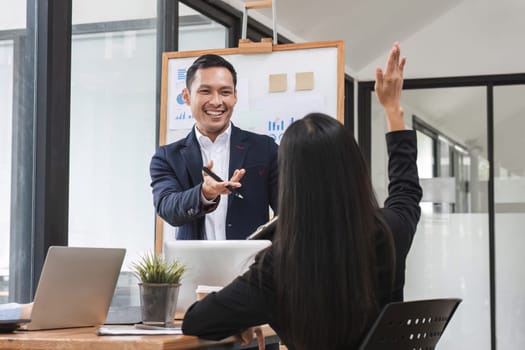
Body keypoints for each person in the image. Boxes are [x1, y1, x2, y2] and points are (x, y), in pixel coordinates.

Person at [181, 42, 422, 350]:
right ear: (353, 168)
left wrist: (248, 312)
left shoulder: (277, 267)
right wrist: (392, 111)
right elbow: (406, 192)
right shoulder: (389, 231)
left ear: (292, 184)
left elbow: (197, 321)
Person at [150, 54, 278, 240]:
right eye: (205, 91)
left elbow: (287, 213)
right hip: (194, 267)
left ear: (235, 96)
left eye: (225, 92)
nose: (216, 101)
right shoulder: (167, 157)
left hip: (254, 264)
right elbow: (167, 207)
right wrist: (204, 193)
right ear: (186, 96)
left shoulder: (265, 148)